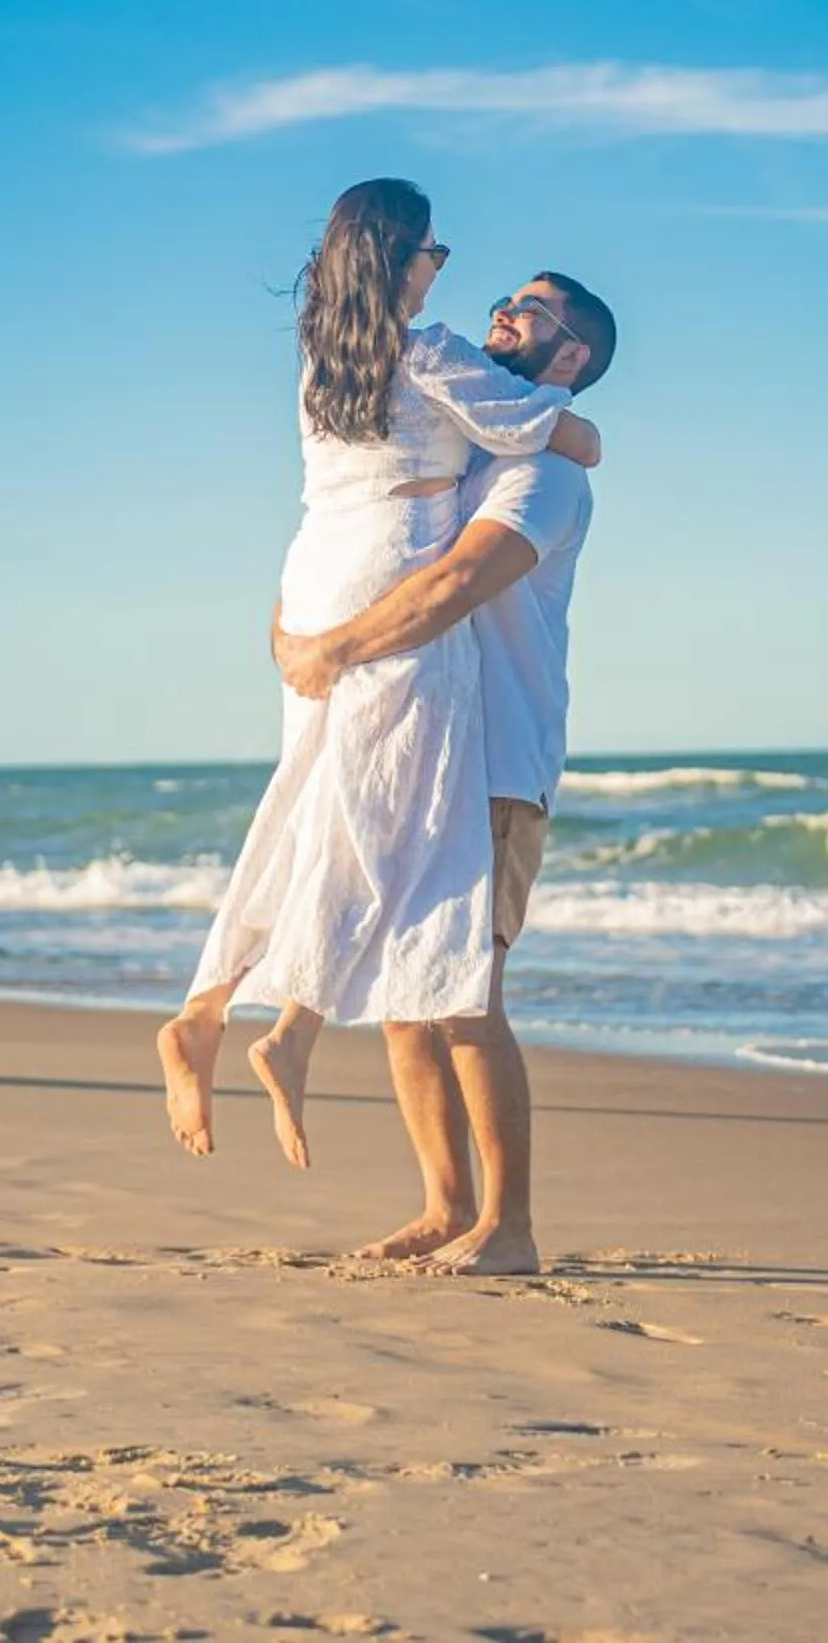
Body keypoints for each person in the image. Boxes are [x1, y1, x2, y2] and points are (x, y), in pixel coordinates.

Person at [155, 180, 600, 1172]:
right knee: (375, 842)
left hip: (323, 585)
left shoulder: (325, 361)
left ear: (571, 355)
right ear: (402, 263)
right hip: (382, 592)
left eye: (527, 312)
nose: (471, 288)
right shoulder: (444, 366)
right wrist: (574, 421)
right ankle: (290, 1037)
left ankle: (217, 1008)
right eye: (438, 253)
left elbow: (514, 494)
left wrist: (308, 634)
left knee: (317, 819)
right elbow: (555, 453)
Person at [269, 271, 614, 1275]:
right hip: (423, 740)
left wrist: (332, 650)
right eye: (511, 298)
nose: (506, 311)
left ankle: (508, 1226)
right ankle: (443, 1205)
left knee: (466, 988)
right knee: (406, 989)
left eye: (533, 311)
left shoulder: (546, 469)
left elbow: (460, 580)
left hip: (500, 753)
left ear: (568, 360)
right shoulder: (472, 436)